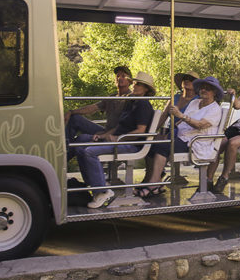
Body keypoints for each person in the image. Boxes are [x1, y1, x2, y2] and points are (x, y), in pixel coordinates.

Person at [73, 72, 156, 209]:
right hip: (120, 140)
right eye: (135, 83)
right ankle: (95, 184)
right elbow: (119, 127)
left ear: (146, 89)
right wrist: (104, 135)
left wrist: (117, 138)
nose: (135, 86)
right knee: (80, 143)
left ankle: (102, 192)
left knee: (89, 152)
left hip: (130, 144)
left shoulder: (143, 105)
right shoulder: (131, 102)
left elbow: (140, 131)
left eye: (139, 84)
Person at [137, 76, 224, 198]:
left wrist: (180, 115)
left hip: (196, 142)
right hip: (183, 136)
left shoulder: (215, 109)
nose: (204, 90)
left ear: (214, 92)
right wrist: (173, 127)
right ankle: (154, 181)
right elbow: (181, 122)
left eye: (208, 89)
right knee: (152, 145)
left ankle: (153, 184)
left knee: (163, 147)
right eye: (202, 88)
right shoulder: (195, 102)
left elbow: (199, 125)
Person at [66, 65, 133, 142]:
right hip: (106, 131)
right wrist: (71, 112)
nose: (119, 78)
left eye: (123, 76)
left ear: (130, 81)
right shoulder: (111, 98)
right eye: (117, 76)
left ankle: (70, 149)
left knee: (81, 140)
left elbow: (125, 124)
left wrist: (103, 135)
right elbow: (92, 108)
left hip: (117, 135)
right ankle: (65, 148)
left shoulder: (131, 98)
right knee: (75, 118)